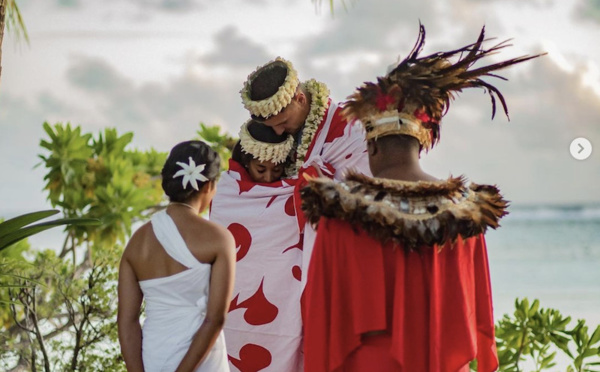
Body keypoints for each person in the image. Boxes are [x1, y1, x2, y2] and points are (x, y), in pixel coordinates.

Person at [301, 25, 544, 372]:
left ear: (370, 145)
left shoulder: (339, 210)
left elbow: (321, 315)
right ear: (421, 143)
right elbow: (475, 311)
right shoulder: (465, 210)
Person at [209, 57, 372, 372]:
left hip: (333, 258)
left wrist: (314, 181)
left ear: (300, 98)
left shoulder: (348, 129)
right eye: (272, 128)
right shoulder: (273, 133)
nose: (280, 131)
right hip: (281, 270)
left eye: (282, 122)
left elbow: (366, 191)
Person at [118, 140, 236, 372]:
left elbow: (127, 321)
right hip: (201, 361)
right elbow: (215, 319)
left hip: (154, 357)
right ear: (209, 186)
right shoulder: (219, 238)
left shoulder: (136, 244)